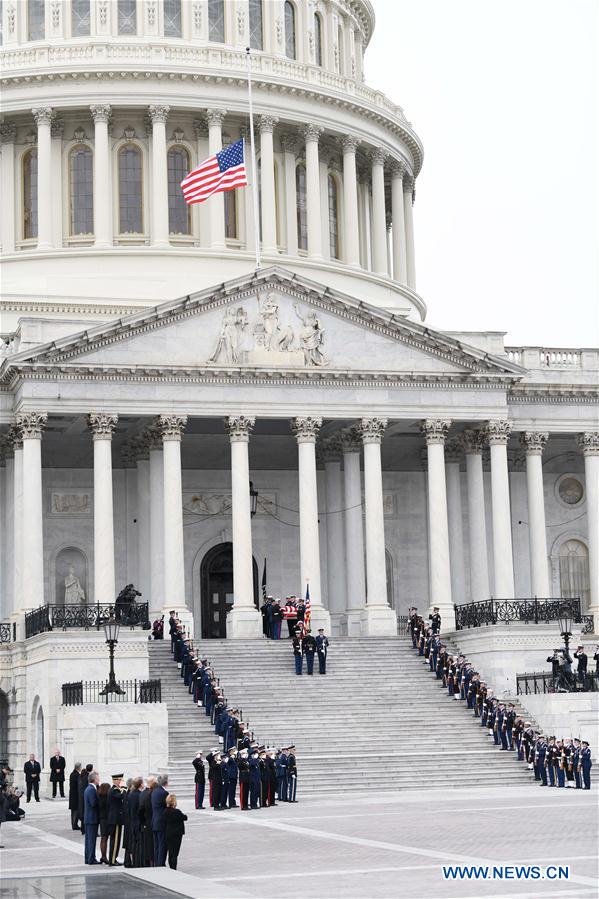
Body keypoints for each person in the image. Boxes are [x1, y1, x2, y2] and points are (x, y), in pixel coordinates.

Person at [165, 794, 187, 870]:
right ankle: (173, 868)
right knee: (175, 853)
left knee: (170, 852)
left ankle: (171, 866)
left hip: (168, 833)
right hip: (177, 834)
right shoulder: (177, 811)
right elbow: (185, 817)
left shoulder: (165, 811)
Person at [107, 774, 126, 866]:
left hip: (115, 819)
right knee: (115, 841)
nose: (120, 782)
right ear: (114, 781)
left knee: (116, 840)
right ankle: (113, 860)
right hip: (115, 819)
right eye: (119, 780)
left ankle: (113, 858)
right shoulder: (114, 790)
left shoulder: (115, 790)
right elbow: (121, 796)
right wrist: (125, 790)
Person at [151, 774, 169, 866]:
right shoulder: (164, 793)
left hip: (154, 821)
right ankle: (160, 864)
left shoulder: (154, 791)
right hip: (161, 822)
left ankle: (157, 862)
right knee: (162, 845)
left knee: (157, 845)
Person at [138, 776, 156, 867]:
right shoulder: (152, 793)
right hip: (151, 821)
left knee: (146, 844)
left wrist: (143, 822)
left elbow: (140, 810)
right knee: (152, 844)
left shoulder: (142, 794)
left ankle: (147, 862)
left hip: (145, 822)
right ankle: (152, 862)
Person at [83, 771, 100, 865]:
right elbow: (93, 803)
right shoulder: (91, 789)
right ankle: (91, 859)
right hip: (92, 818)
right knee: (91, 840)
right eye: (98, 778)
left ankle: (88, 858)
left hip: (89, 818)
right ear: (94, 779)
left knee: (89, 840)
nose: (99, 779)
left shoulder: (89, 788)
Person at [97, 782, 111, 864]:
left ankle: (103, 855)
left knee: (103, 838)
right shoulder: (106, 798)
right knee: (105, 838)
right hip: (106, 819)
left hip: (102, 819)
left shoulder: (99, 796)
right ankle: (104, 856)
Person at [79, 763, 93, 834]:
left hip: (82, 797)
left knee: (84, 813)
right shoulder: (88, 777)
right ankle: (84, 829)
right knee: (86, 813)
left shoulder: (82, 775)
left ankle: (83, 829)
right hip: (85, 797)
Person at [68, 762, 82, 830]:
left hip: (72, 794)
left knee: (73, 810)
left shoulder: (72, 774)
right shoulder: (76, 775)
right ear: (78, 767)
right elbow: (78, 785)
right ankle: (74, 825)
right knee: (75, 810)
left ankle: (74, 824)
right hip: (75, 794)